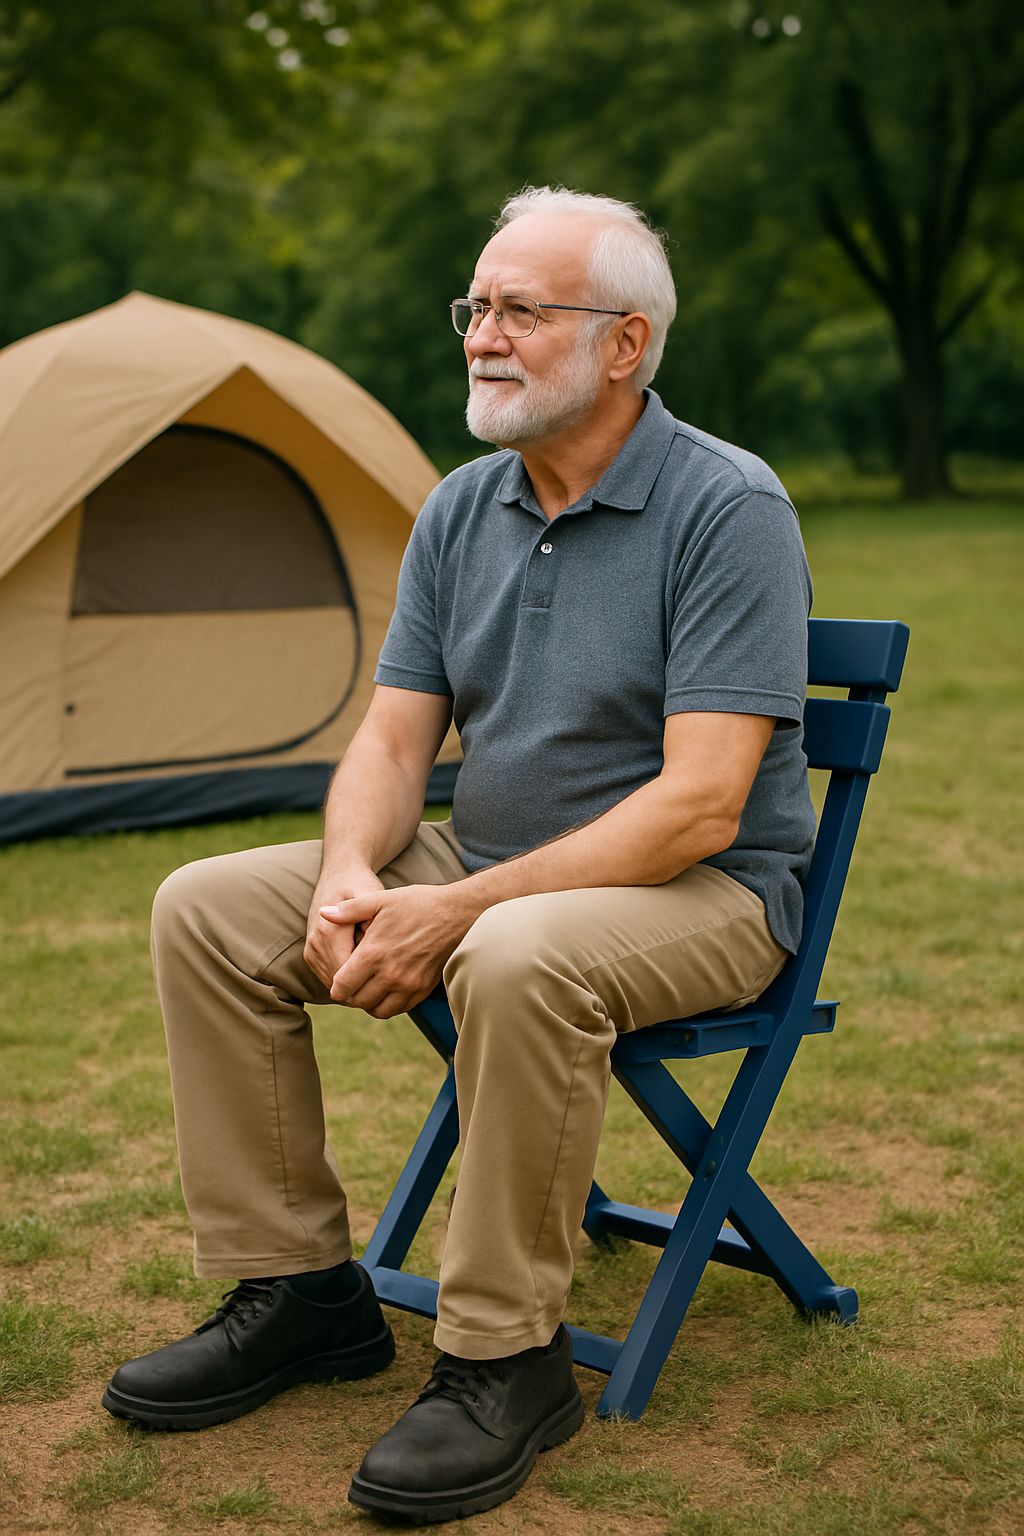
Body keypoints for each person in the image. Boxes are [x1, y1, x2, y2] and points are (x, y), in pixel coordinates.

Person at [102, 185, 816, 1523]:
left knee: (518, 950)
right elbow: (388, 742)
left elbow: (703, 807)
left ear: (623, 344)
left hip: (701, 895)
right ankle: (305, 1293)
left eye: (519, 309)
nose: (482, 333)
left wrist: (460, 907)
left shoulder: (730, 508)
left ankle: (506, 1358)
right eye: (475, 307)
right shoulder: (461, 507)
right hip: (493, 864)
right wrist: (347, 878)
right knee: (205, 906)